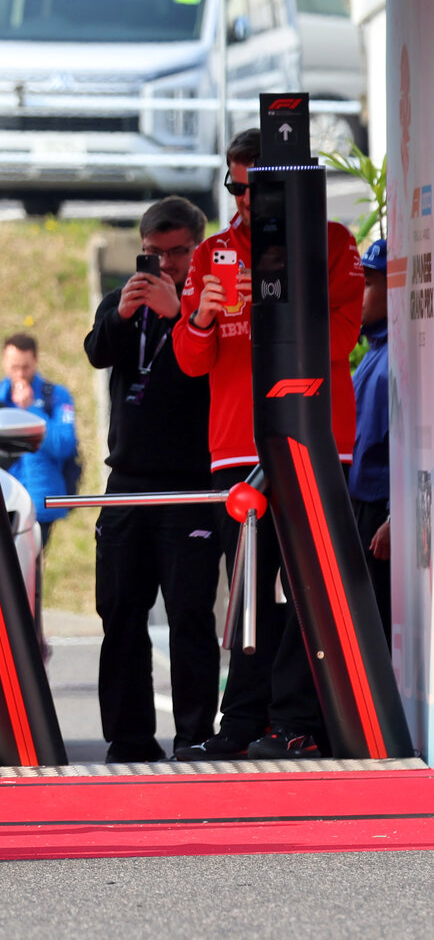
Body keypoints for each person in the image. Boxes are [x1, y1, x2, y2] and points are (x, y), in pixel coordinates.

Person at [173, 127, 363, 760]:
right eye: (236, 187)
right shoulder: (211, 254)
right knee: (249, 593)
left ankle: (296, 720)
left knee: (307, 589)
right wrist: (202, 315)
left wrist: (277, 295)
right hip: (236, 448)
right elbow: (191, 363)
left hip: (316, 443)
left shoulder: (332, 243)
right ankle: (243, 722)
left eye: (259, 187)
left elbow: (337, 344)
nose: (247, 200)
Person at [83, 196, 220, 762]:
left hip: (190, 482)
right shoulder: (124, 300)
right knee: (119, 610)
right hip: (127, 480)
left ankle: (193, 733)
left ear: (198, 248)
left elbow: (206, 367)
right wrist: (120, 314)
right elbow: (96, 353)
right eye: (152, 253)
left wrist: (177, 310)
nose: (164, 264)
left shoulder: (208, 303)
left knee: (190, 612)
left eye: (177, 253)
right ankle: (129, 736)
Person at [0, 333, 78, 545]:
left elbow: (64, 445)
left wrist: (30, 409)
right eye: (14, 367)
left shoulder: (56, 396)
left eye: (26, 367)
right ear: (4, 361)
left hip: (40, 503)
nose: (20, 374)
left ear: (36, 360)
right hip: (1, 500)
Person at [351, 238, 391, 641]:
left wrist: (397, 518)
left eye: (367, 282)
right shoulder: (374, 350)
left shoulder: (404, 356)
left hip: (382, 515)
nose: (356, 294)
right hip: (363, 510)